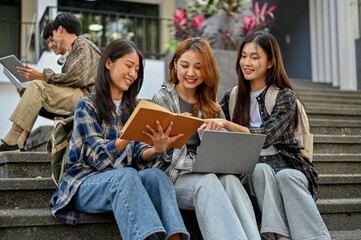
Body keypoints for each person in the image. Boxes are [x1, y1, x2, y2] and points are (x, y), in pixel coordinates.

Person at [49, 38, 189, 240]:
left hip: (123, 182)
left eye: (137, 69)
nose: (133, 74)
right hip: (85, 184)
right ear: (108, 63)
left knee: (157, 177)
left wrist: (158, 148)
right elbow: (96, 158)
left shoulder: (134, 108)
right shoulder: (87, 106)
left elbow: (140, 154)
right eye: (129, 66)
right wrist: (126, 137)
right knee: (126, 175)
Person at [201, 31, 330, 240]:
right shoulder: (232, 97)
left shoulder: (284, 96)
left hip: (287, 166)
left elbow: (267, 135)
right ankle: (279, 235)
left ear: (270, 62)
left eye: (255, 57)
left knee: (287, 176)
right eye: (244, 56)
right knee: (260, 170)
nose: (247, 62)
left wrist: (227, 123)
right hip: (252, 172)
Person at [150, 37, 260, 240]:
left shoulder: (212, 106)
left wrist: (233, 165)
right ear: (175, 65)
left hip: (211, 175)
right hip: (174, 176)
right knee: (208, 181)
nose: (191, 73)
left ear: (207, 70)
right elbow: (156, 153)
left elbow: (226, 148)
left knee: (232, 182)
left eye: (198, 67)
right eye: (185, 65)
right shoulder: (162, 98)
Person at [0, 12, 100, 153]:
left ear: (59, 29)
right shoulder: (77, 47)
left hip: (87, 98)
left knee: (37, 86)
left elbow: (79, 78)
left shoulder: (82, 44)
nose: (52, 42)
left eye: (53, 35)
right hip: (83, 96)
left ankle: (12, 139)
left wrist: (43, 76)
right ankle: (19, 141)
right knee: (35, 90)